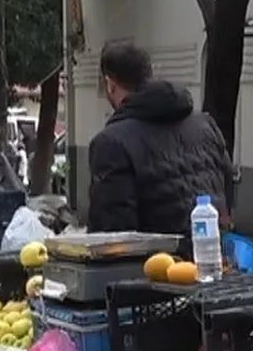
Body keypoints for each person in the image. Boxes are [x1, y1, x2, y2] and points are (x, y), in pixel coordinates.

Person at [88, 43, 234, 237]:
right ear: (150, 74)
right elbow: (227, 191)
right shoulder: (206, 125)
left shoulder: (111, 143)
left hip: (156, 265)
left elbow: (112, 233)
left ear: (110, 84)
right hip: (213, 257)